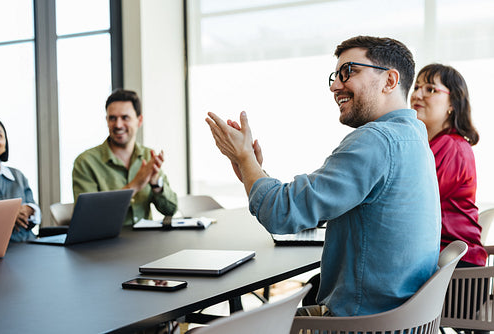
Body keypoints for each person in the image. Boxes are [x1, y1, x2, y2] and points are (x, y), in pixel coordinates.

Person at [206, 36, 441, 317]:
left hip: (359, 323)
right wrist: (252, 170)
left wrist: (245, 159)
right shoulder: (414, 137)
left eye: (349, 72)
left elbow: (280, 214)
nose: (334, 86)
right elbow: (310, 207)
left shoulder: (376, 141)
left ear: (390, 81)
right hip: (400, 319)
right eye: (335, 76)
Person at [411, 64, 486, 268]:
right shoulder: (432, 145)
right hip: (437, 260)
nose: (417, 94)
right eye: (416, 87)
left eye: (430, 89)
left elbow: (412, 201)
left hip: (455, 269)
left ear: (452, 102)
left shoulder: (453, 147)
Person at [72, 89, 178, 226]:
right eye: (112, 118)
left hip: (145, 242)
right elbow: (86, 216)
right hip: (104, 244)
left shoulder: (148, 156)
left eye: (125, 118)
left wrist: (156, 184)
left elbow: (171, 209)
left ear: (139, 120)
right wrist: (134, 185)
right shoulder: (86, 162)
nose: (118, 125)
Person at [0, 117, 41, 242]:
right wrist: (8, 215)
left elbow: (35, 209)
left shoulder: (17, 175)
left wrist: (28, 210)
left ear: (5, 142)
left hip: (29, 244)